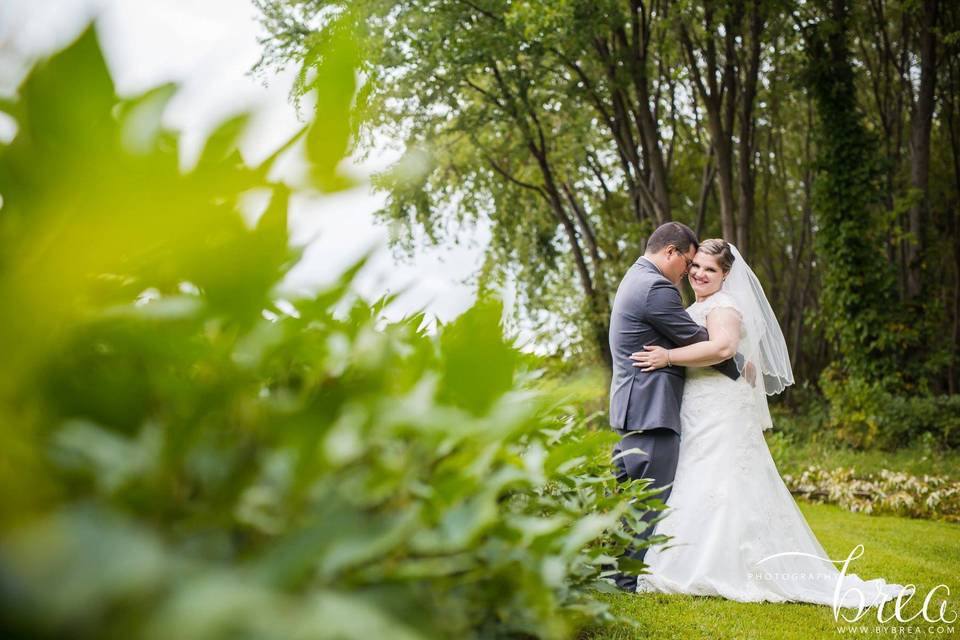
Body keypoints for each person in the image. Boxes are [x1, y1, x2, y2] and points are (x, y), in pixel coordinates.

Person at [629, 238, 905, 606]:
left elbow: (723, 348)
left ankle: (720, 564)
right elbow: (738, 356)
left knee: (721, 476)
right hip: (703, 402)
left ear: (726, 274)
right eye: (696, 266)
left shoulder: (724, 305)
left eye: (710, 269)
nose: (698, 274)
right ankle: (699, 557)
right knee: (703, 475)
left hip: (719, 407)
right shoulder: (704, 305)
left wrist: (667, 357)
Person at [607, 222, 741, 592]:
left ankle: (615, 573)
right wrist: (740, 364)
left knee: (633, 498)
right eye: (688, 262)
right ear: (670, 252)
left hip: (636, 407)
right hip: (650, 410)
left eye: (704, 267)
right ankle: (623, 581)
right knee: (649, 501)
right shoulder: (656, 288)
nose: (690, 271)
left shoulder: (635, 277)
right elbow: (701, 339)